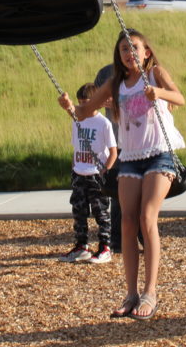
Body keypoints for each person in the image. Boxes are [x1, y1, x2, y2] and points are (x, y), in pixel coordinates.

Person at [59, 28, 185, 320]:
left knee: (146, 217)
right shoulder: (116, 84)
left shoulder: (156, 75)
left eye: (134, 48)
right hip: (130, 159)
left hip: (160, 154)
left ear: (146, 52)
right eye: (124, 50)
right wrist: (69, 107)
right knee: (127, 222)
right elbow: (84, 112)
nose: (130, 54)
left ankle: (150, 292)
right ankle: (130, 293)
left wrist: (159, 93)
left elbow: (180, 98)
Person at [58, 83, 117, 264]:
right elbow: (75, 147)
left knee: (101, 212)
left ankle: (105, 246)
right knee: (79, 211)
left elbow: (113, 151)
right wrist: (74, 167)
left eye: (86, 103)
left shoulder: (103, 123)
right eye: (80, 103)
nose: (83, 107)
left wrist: (105, 170)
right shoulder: (76, 120)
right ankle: (81, 246)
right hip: (79, 173)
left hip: (95, 174)